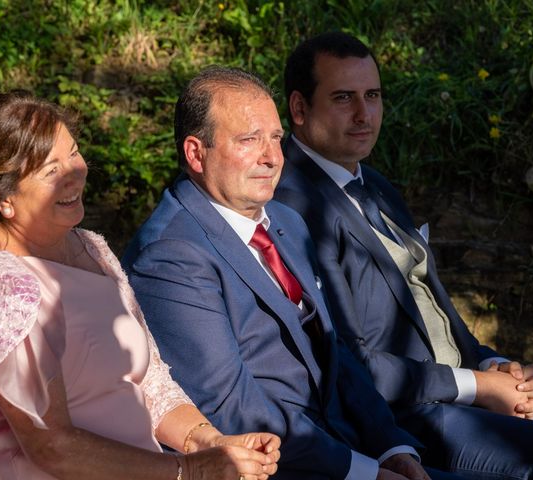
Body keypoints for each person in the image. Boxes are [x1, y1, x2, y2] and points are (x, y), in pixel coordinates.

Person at [0, 90, 281, 480]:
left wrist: (211, 442)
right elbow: (51, 446)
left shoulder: (91, 248)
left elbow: (149, 382)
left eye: (74, 152)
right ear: (3, 196)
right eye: (51, 170)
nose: (76, 171)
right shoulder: (0, 286)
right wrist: (187, 470)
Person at [122, 66, 465, 480]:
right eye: (249, 140)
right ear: (196, 153)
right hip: (283, 467)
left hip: (352, 443)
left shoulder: (284, 221)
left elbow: (337, 353)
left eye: (275, 138)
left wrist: (391, 447)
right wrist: (363, 472)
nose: (272, 157)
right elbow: (232, 408)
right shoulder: (170, 255)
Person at [274, 31, 533, 478]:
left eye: (372, 95)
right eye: (343, 98)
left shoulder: (375, 184)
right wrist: (480, 387)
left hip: (462, 391)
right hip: (406, 417)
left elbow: (431, 309)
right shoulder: (291, 204)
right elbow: (350, 361)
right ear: (299, 109)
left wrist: (497, 367)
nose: (364, 115)